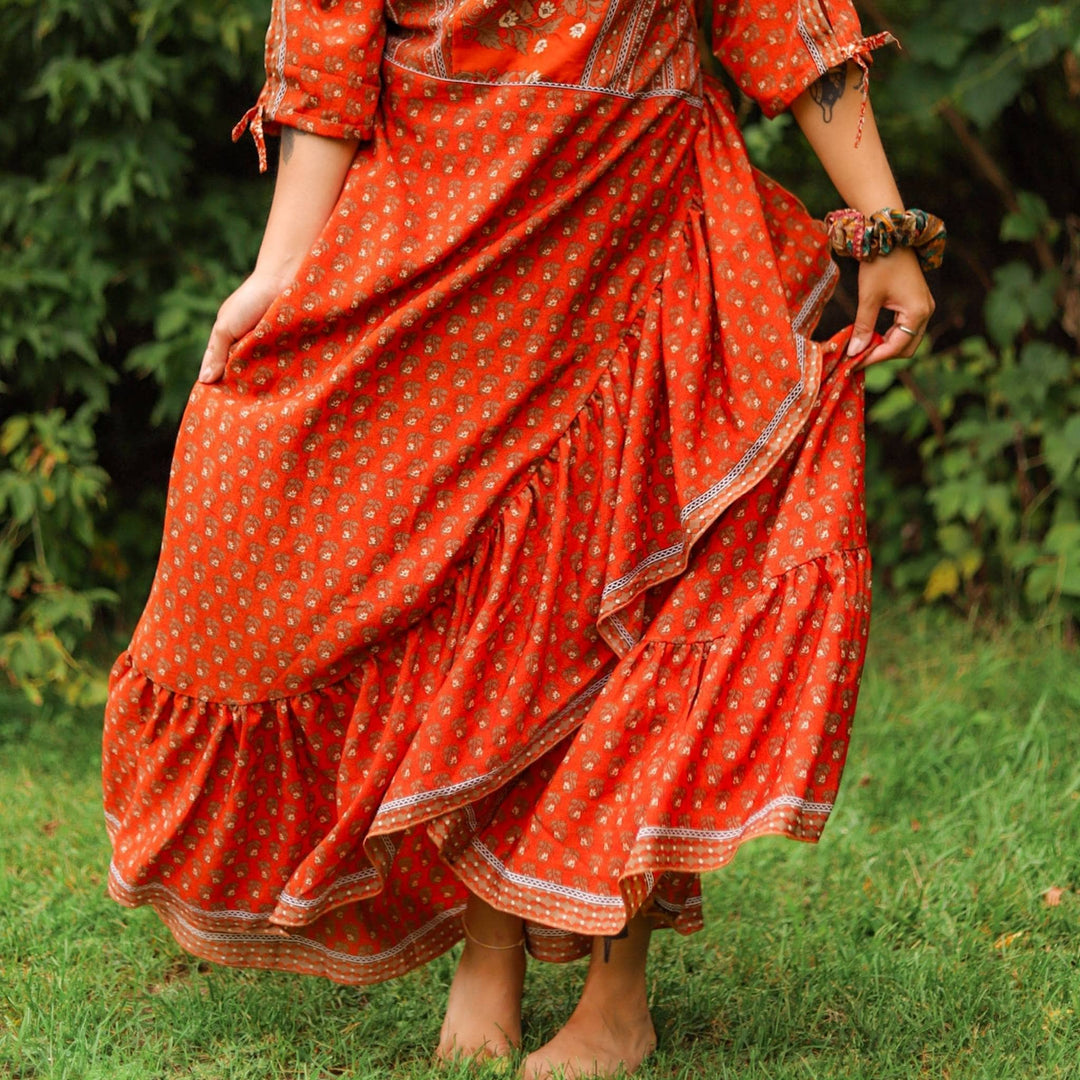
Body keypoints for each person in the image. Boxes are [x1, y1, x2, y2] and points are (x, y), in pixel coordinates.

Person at [102, 0, 939, 1076]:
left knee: (622, 601)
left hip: (638, 246)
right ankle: (487, 955)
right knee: (467, 608)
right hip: (442, 248)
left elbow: (780, 20)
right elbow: (329, 45)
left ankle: (615, 999)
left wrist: (883, 223)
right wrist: (282, 270)